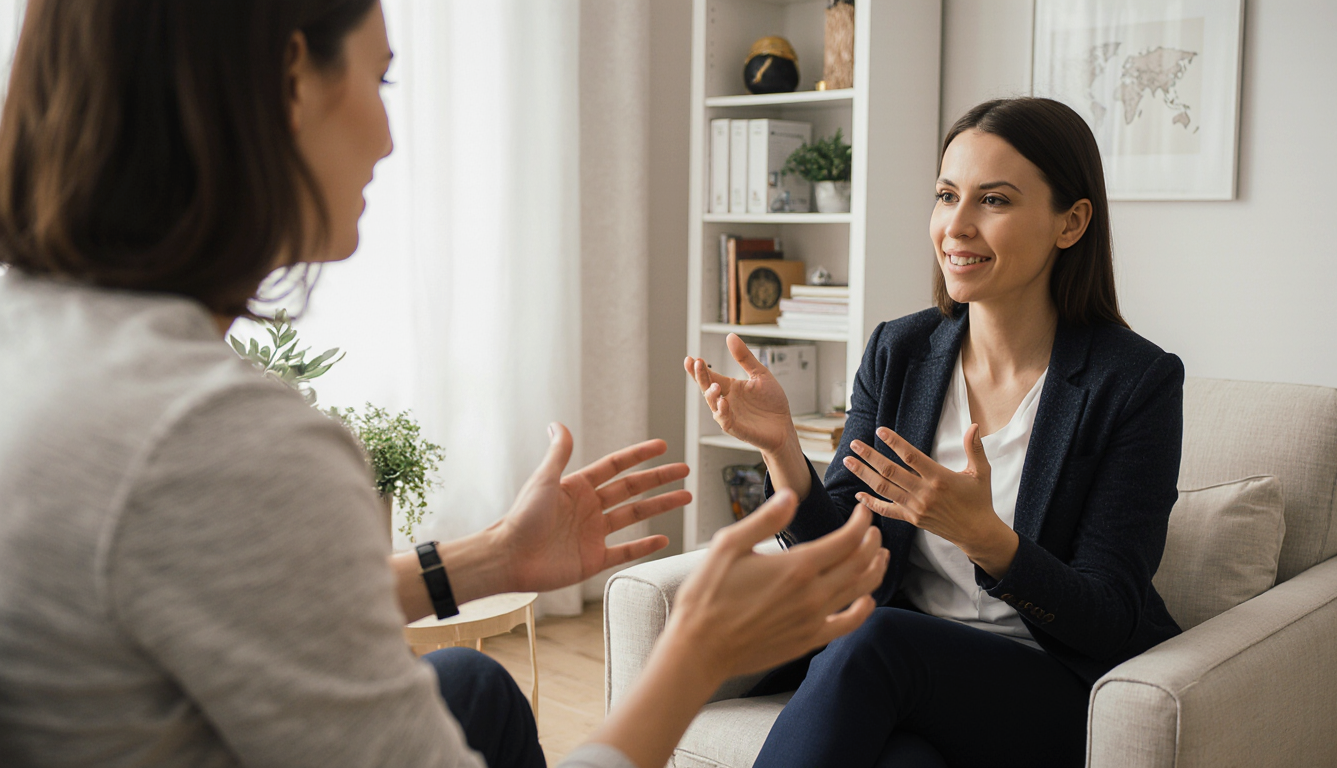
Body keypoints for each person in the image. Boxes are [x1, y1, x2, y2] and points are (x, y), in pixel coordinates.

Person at [0, 2, 889, 768]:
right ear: (287, 79)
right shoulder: (210, 434)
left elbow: (213, 585)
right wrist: (695, 656)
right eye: (381, 81)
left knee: (470, 684)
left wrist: (491, 558)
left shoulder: (35, 333)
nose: (389, 139)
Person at [687, 97, 1185, 767]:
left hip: (1052, 683)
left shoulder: (1135, 382)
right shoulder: (900, 351)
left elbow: (1110, 613)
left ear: (1071, 222)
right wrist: (781, 448)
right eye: (947, 195)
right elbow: (843, 565)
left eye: (995, 201)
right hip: (910, 678)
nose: (957, 225)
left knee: (877, 643)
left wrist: (988, 540)